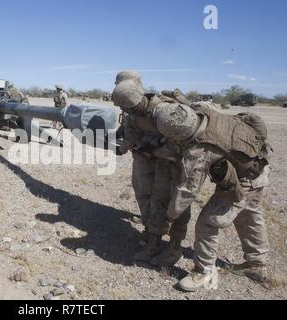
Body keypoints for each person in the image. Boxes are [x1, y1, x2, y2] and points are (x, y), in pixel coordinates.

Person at [152, 101, 272, 291]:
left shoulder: (199, 151)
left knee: (208, 222)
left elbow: (187, 191)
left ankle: (204, 272)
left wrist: (169, 217)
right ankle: (257, 263)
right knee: (250, 215)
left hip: (244, 181)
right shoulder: (208, 113)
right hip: (261, 170)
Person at [113, 76, 191, 265]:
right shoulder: (132, 114)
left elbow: (182, 140)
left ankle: (174, 247)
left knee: (177, 205)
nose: (126, 112)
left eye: (128, 108)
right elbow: (131, 134)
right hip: (155, 161)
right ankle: (154, 241)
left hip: (174, 164)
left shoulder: (166, 111)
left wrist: (153, 148)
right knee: (154, 200)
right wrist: (125, 145)